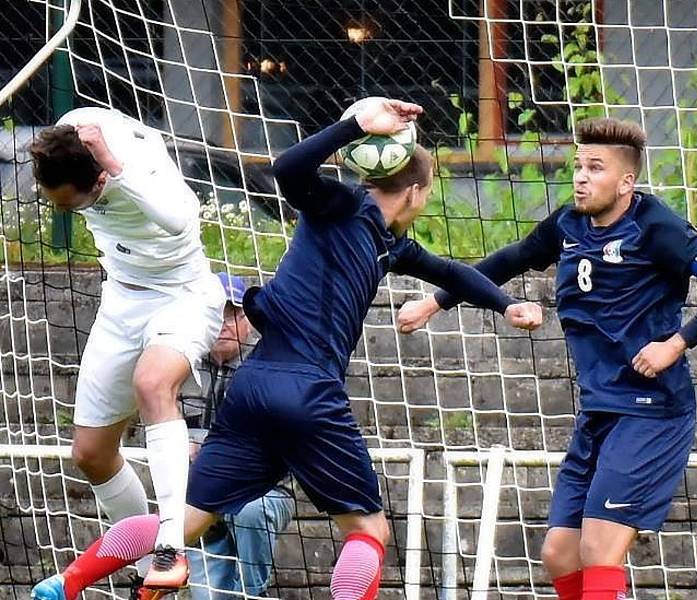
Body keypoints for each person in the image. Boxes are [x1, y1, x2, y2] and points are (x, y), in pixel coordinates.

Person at [30, 98, 543, 600]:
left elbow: (451, 273)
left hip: (254, 390)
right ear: (412, 192)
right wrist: (352, 125)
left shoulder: (387, 242)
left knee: (178, 522)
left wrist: (503, 302)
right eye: (427, 194)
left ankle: (66, 583)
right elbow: (288, 167)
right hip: (309, 393)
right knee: (368, 531)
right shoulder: (341, 204)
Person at [396, 118, 697, 600]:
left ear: (626, 182)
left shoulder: (656, 227)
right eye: (579, 166)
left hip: (652, 411)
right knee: (560, 555)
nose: (581, 177)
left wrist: (674, 344)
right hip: (600, 410)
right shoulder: (568, 223)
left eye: (596, 168)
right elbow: (511, 258)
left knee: (599, 548)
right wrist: (432, 302)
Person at [29, 108, 226, 586]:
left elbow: (180, 219)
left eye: (72, 204)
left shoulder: (139, 169)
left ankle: (170, 547)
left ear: (98, 180)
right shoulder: (72, 133)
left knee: (153, 383)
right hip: (121, 302)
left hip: (182, 296)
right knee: (91, 453)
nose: (65, 211)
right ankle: (146, 576)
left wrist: (117, 167)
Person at [182, 272, 293, 600]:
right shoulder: (179, 365)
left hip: (262, 492)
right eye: (218, 313)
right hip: (200, 497)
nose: (225, 323)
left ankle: (253, 594)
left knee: (250, 511)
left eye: (234, 313)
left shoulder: (269, 364)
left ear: (248, 319)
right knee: (207, 597)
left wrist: (205, 447)